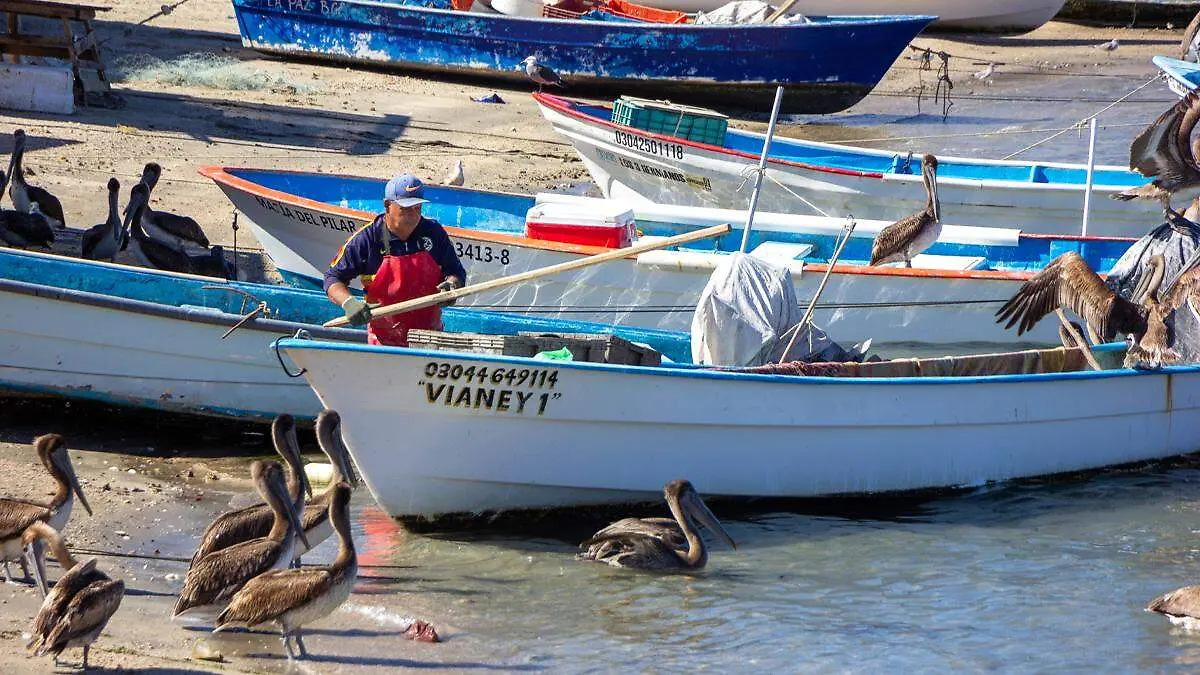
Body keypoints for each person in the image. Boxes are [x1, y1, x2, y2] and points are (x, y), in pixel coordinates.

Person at [324, 173, 466, 346]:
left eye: (417, 208)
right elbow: (333, 278)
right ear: (387, 205)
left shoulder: (434, 233)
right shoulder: (367, 239)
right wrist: (349, 303)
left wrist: (452, 286)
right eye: (405, 208)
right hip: (383, 342)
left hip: (430, 338)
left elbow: (456, 272)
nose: (413, 215)